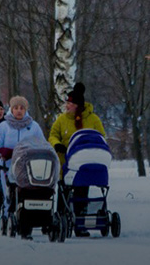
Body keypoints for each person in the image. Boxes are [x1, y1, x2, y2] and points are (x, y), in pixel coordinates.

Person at [48, 82, 106, 236]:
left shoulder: (93, 119)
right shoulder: (62, 119)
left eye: (70, 103)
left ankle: (80, 223)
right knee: (64, 193)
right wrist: (57, 144)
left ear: (77, 106)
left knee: (81, 193)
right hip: (65, 162)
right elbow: (53, 135)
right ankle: (61, 222)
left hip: (83, 163)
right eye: (67, 103)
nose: (67, 106)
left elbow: (101, 137)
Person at [0, 95, 45, 224]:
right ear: (11, 109)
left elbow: (43, 145)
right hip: (7, 167)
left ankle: (27, 218)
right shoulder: (4, 126)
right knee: (9, 195)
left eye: (22, 108)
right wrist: (1, 152)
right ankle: (7, 217)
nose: (19, 111)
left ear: (26, 110)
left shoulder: (34, 126)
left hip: (29, 168)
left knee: (27, 195)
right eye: (16, 108)